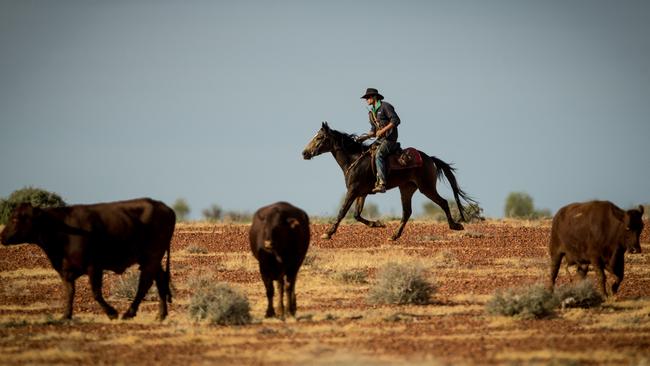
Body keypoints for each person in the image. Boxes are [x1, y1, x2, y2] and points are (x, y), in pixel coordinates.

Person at [357, 88, 401, 193]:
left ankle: (382, 183)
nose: (366, 99)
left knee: (379, 155)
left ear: (374, 97)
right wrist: (365, 137)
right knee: (367, 153)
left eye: (368, 97)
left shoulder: (385, 106)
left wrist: (383, 131)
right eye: (366, 98)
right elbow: (373, 131)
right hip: (380, 140)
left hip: (390, 139)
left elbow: (396, 120)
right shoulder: (371, 113)